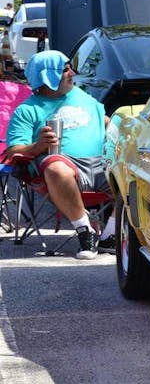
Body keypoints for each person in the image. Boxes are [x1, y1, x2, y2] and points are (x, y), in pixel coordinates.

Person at [3, 51, 113, 259]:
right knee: (56, 168)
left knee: (138, 168)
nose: (72, 72)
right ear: (47, 76)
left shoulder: (81, 95)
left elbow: (103, 120)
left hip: (102, 163)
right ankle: (84, 230)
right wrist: (37, 146)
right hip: (63, 168)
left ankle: (111, 234)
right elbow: (13, 151)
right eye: (65, 70)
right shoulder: (27, 110)